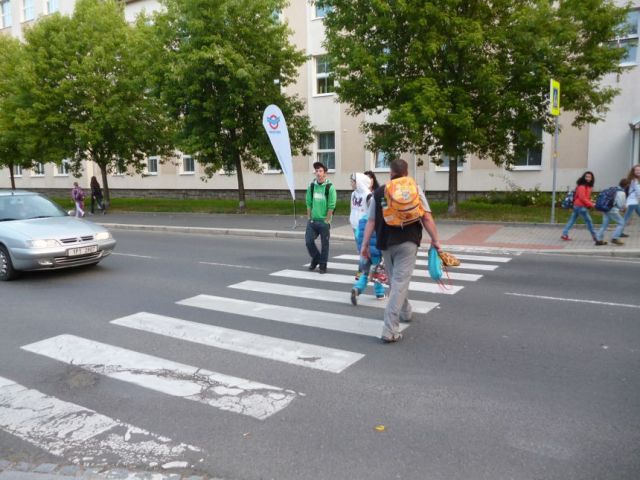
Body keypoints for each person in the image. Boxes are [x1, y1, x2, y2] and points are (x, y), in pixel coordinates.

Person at [361, 159, 441, 343]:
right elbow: (426, 217)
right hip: (408, 241)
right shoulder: (414, 189)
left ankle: (406, 312)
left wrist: (365, 245)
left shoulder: (379, 192)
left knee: (396, 282)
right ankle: (390, 330)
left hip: (386, 244)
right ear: (406, 173)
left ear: (390, 172)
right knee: (399, 282)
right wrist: (436, 240)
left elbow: (371, 221)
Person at [349, 172, 385, 304]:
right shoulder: (373, 222)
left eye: (353, 181)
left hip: (362, 239)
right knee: (376, 269)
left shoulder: (364, 221)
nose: (351, 183)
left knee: (365, 270)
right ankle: (380, 293)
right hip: (374, 248)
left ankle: (357, 289)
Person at [305, 161, 337, 273]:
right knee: (308, 241)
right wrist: (309, 218)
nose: (318, 173)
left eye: (320, 171)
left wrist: (327, 220)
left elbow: (331, 206)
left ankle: (322, 265)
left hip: (324, 221)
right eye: (316, 171)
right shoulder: (312, 186)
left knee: (325, 244)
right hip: (313, 221)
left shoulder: (330, 188)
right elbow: (308, 202)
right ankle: (316, 258)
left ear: (325, 173)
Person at [561, 171, 597, 241]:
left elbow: (586, 197)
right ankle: (595, 236)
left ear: (592, 178)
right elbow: (582, 198)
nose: (588, 178)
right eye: (586, 176)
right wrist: (592, 205)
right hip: (580, 206)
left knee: (572, 220)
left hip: (579, 205)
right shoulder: (582, 186)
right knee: (589, 221)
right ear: (584, 177)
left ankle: (564, 234)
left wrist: (590, 202)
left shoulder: (588, 186)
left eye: (589, 177)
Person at [595, 179, 629, 246]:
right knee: (621, 223)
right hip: (613, 210)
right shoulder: (622, 193)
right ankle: (615, 238)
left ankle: (598, 240)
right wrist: (623, 208)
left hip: (606, 208)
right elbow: (620, 205)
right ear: (627, 185)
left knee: (604, 225)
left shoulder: (613, 188)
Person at [621, 164, 640, 236]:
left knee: (626, 217)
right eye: (637, 170)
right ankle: (619, 232)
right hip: (633, 202)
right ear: (633, 171)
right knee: (626, 218)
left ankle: (619, 231)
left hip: (634, 201)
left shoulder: (635, 179)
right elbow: (638, 191)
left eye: (639, 170)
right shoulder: (635, 180)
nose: (638, 171)